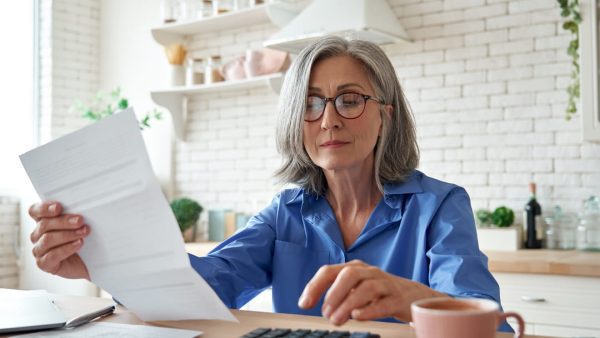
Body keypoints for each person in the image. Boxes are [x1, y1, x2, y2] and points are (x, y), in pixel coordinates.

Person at [28, 36, 512, 332]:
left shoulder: (440, 206)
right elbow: (206, 287)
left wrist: (409, 299)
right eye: (310, 103)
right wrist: (100, 260)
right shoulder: (286, 212)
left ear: (384, 115)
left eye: (348, 100)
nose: (328, 120)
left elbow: (493, 328)